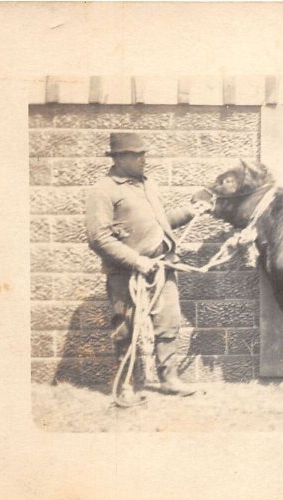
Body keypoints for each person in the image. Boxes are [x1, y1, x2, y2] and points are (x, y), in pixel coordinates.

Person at [85, 132, 212, 404]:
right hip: (126, 273)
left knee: (169, 324)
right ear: (119, 158)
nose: (144, 159)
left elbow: (160, 223)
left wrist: (191, 211)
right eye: (137, 154)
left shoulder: (147, 184)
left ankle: (169, 380)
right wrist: (136, 261)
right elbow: (98, 237)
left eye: (144, 154)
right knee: (125, 329)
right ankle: (125, 384)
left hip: (162, 267)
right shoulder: (103, 190)